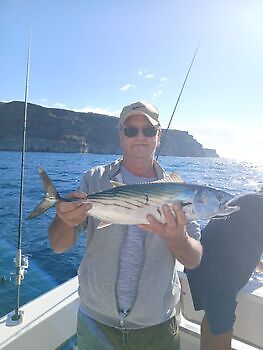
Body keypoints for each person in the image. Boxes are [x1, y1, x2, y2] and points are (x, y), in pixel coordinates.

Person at [48, 101, 203, 350]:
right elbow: (58, 245)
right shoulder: (95, 179)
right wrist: (64, 220)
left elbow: (194, 260)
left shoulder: (180, 191)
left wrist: (178, 239)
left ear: (158, 136)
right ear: (121, 135)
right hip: (95, 323)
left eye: (148, 130)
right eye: (131, 130)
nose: (140, 137)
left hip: (156, 326)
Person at [185, 191, 263, 350]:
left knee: (213, 321)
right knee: (221, 329)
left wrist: (258, 264)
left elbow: (239, 236)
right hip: (219, 274)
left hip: (201, 264)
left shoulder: (249, 199)